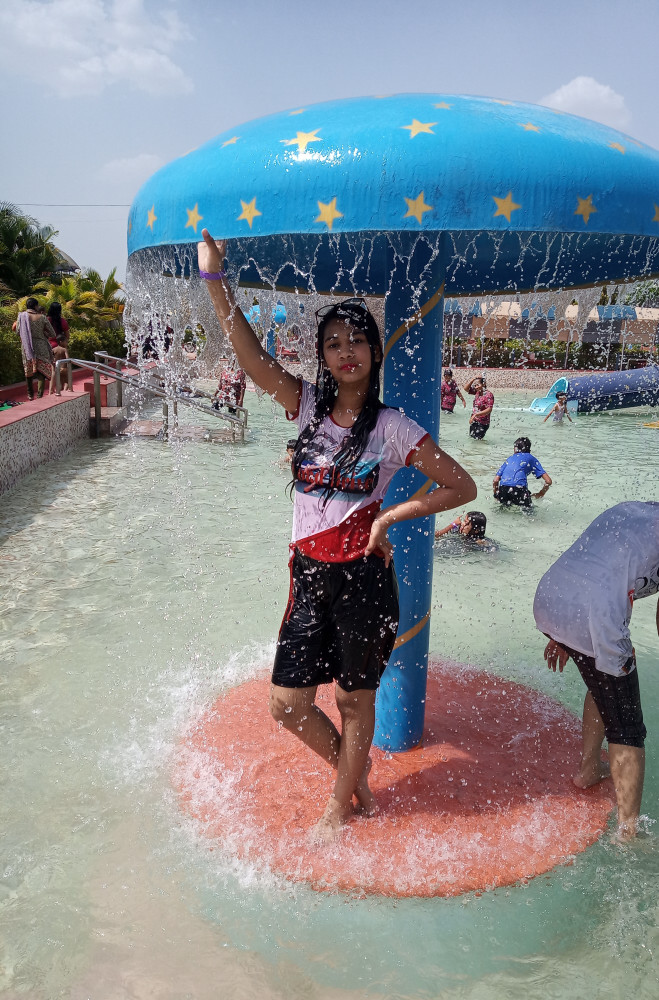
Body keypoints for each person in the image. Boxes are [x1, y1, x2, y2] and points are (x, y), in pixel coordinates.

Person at [198, 228, 477, 842]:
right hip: (308, 575)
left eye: (356, 340)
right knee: (288, 705)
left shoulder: (395, 428)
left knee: (355, 702)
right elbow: (250, 357)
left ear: (375, 352)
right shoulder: (302, 406)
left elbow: (463, 487)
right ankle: (356, 777)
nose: (345, 350)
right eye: (332, 343)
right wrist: (215, 281)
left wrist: (388, 517)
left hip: (364, 580)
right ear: (321, 356)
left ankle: (338, 806)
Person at [533, 502, 659, 842]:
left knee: (603, 681)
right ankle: (628, 833)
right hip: (594, 615)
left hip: (550, 597)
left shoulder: (632, 509)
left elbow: (593, 562)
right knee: (628, 726)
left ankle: (589, 769)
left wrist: (562, 633)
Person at [13, 298, 55, 400]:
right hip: (41, 346)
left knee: (28, 370)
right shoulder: (42, 317)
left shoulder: (21, 317)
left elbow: (18, 331)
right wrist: (43, 334)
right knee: (42, 372)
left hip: (27, 347)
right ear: (36, 306)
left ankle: (30, 394)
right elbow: (52, 333)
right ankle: (40, 395)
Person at [493, 437, 552, 507]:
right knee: (530, 515)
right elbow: (548, 481)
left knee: (503, 511)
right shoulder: (531, 458)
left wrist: (496, 494)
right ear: (529, 450)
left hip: (503, 488)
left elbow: (496, 480)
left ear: (515, 449)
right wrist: (541, 493)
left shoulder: (509, 459)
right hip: (519, 489)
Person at [46, 303, 72, 394]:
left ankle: (50, 390)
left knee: (53, 370)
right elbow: (67, 335)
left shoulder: (46, 320)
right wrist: (63, 343)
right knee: (62, 368)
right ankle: (62, 389)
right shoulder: (62, 321)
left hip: (49, 346)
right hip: (60, 346)